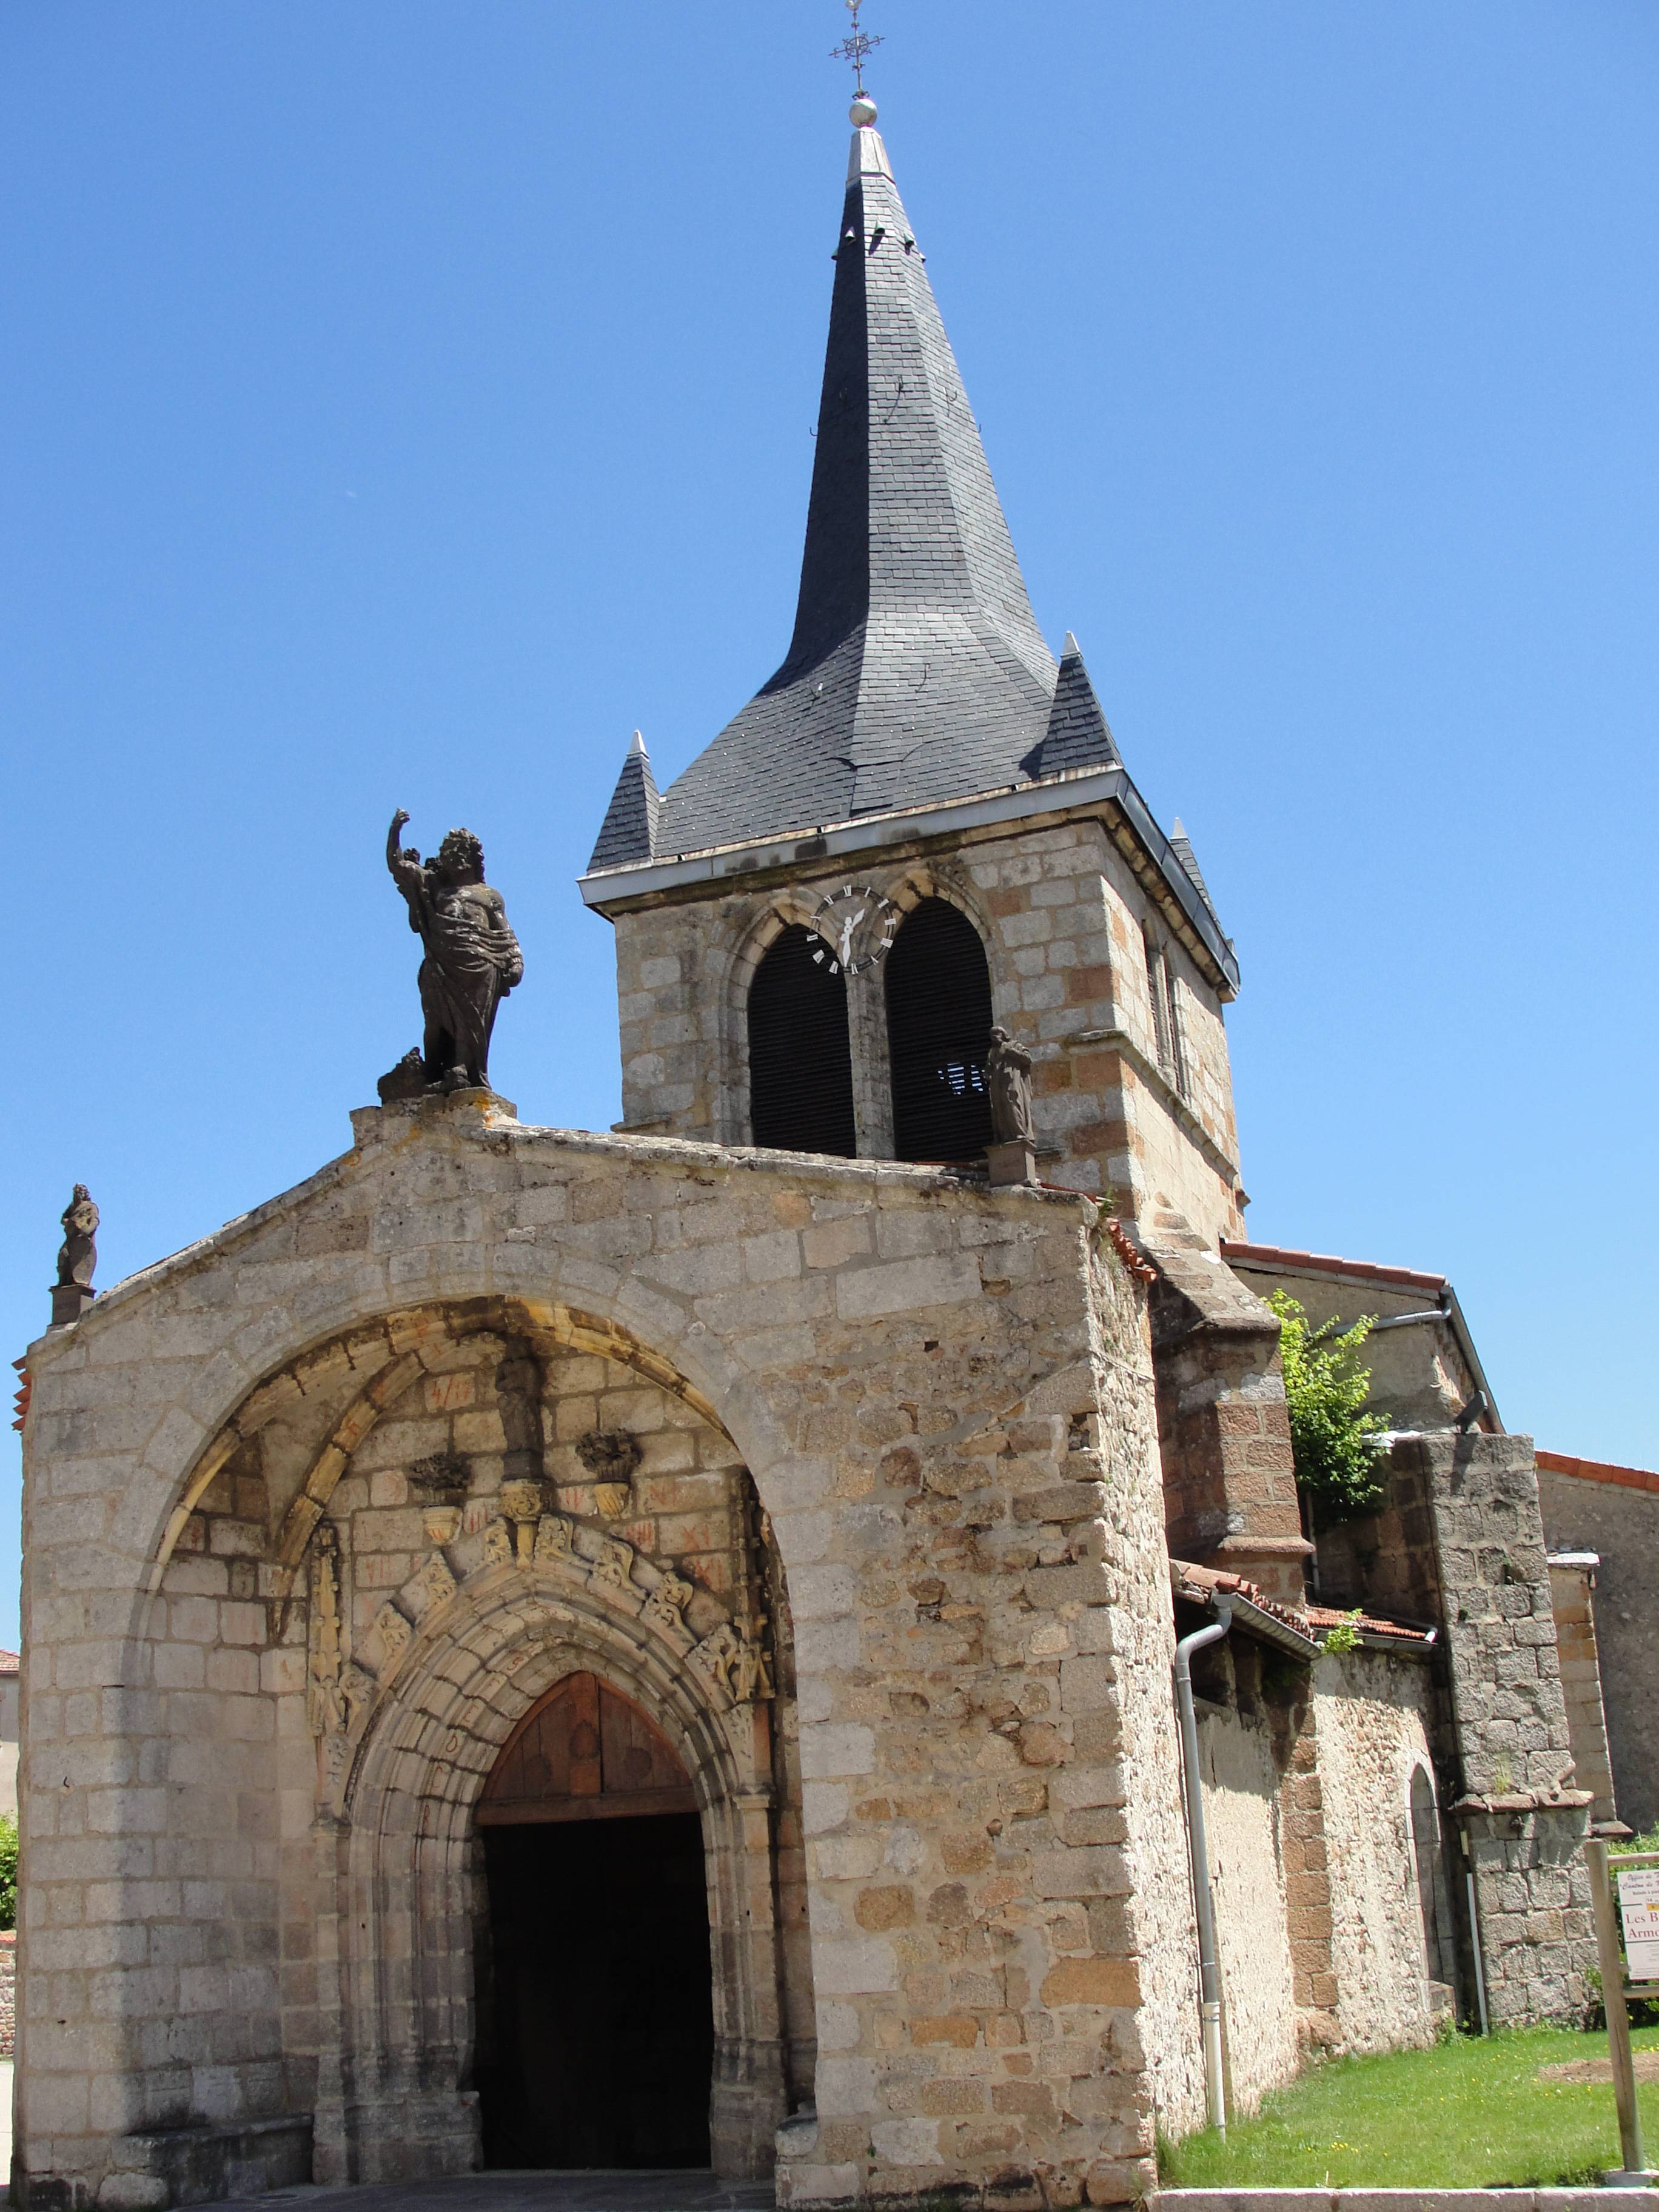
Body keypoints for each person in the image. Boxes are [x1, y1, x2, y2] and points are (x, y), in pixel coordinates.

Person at [385, 810, 523, 1091]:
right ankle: (435, 1069)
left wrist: (516, 960)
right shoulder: (435, 889)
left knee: (472, 1023)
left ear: (472, 857)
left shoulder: (489, 895)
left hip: (483, 963)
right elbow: (398, 866)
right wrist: (395, 832)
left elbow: (505, 932)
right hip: (440, 963)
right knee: (435, 1022)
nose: (452, 857)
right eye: (447, 852)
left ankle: (462, 1070)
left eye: (458, 851)